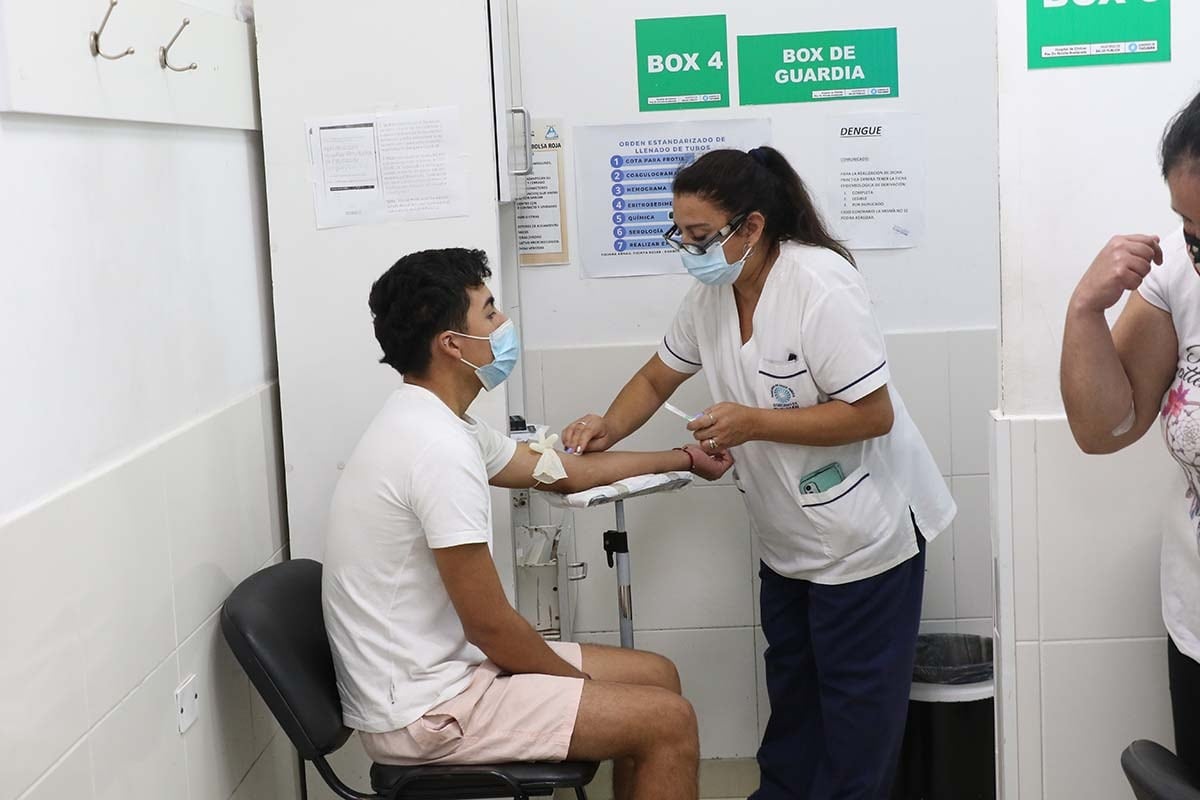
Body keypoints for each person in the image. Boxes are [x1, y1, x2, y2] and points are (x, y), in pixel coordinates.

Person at [561, 147, 956, 800]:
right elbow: (660, 374)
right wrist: (609, 425)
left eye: (699, 235)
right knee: (795, 708)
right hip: (788, 538)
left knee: (856, 726)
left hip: (865, 540)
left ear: (752, 227)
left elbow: (871, 414)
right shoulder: (711, 296)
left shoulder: (818, 284)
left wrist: (753, 425)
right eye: (679, 234)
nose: (688, 248)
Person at [322, 247, 734, 800]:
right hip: (427, 712)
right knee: (667, 720)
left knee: (656, 675)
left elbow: (561, 472)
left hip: (450, 674)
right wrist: (578, 688)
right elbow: (489, 626)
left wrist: (682, 458)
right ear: (452, 345)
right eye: (489, 313)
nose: (503, 324)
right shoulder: (434, 449)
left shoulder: (443, 423)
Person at [1060, 89, 1200, 777]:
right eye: (1190, 226)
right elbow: (1104, 427)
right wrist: (1085, 308)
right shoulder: (1178, 268)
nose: (1197, 248)